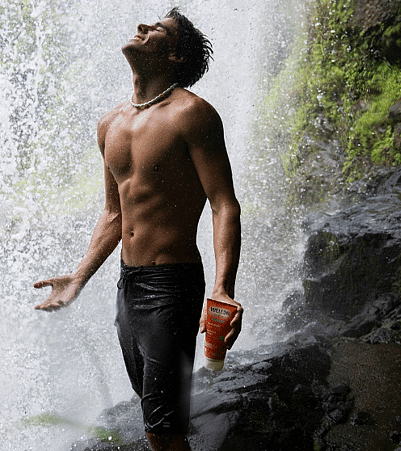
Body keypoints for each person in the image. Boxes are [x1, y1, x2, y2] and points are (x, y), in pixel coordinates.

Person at [33, 7, 242, 451]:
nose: (143, 27)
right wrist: (78, 277)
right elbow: (114, 214)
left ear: (174, 57)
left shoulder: (192, 114)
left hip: (173, 284)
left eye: (159, 30)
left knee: (162, 430)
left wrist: (223, 287)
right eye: (145, 24)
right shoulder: (110, 124)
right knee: (152, 408)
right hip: (129, 286)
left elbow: (224, 204)